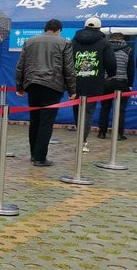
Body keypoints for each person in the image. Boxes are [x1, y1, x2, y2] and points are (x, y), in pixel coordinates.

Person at [14, 19, 76, 166]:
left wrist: (19, 86)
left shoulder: (30, 41)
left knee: (34, 120)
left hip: (32, 85)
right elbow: (68, 68)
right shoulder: (65, 43)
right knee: (46, 122)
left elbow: (20, 66)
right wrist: (72, 89)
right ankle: (40, 158)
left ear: (46, 28)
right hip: (52, 86)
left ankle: (33, 154)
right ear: (58, 30)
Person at [71, 17, 116, 152]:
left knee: (77, 111)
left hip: (75, 82)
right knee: (88, 113)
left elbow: (66, 60)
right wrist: (111, 74)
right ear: (99, 28)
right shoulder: (104, 42)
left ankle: (80, 138)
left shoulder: (74, 41)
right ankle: (83, 141)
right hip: (94, 83)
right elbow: (111, 62)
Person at [97, 32, 133, 141]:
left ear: (110, 39)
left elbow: (100, 66)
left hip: (107, 82)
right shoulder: (129, 50)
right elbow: (130, 68)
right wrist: (130, 84)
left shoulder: (105, 49)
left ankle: (102, 133)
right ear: (123, 39)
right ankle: (119, 134)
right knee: (120, 109)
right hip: (122, 82)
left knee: (105, 107)